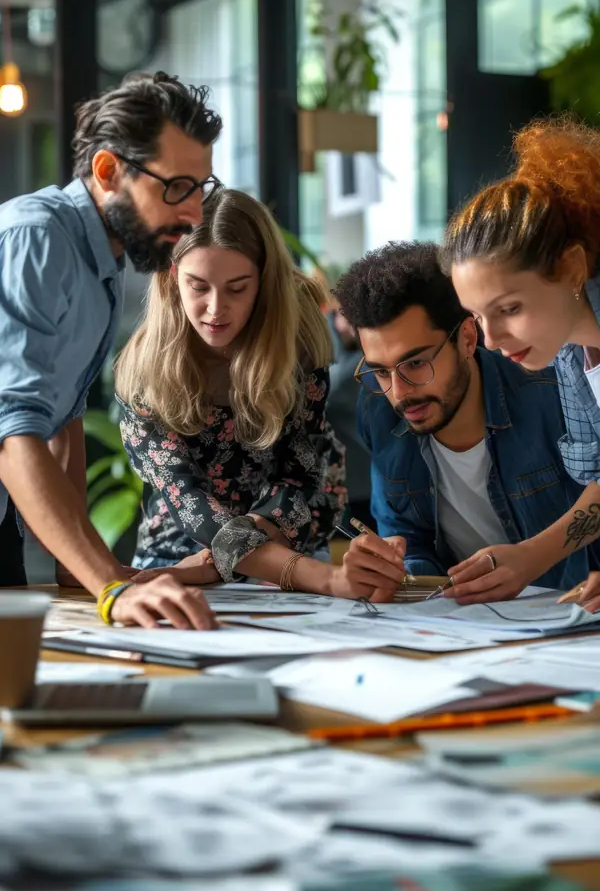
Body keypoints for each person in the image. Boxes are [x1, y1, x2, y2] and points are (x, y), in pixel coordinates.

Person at [0, 69, 222, 629]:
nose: (195, 213)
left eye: (201, 188)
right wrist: (109, 585)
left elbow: (63, 421)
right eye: (176, 187)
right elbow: (13, 424)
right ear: (107, 172)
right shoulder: (37, 237)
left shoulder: (103, 262)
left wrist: (87, 572)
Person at [116, 187, 405, 600]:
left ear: (264, 282)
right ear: (172, 275)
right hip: (181, 554)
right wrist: (325, 580)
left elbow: (301, 473)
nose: (216, 309)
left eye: (237, 288)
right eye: (198, 287)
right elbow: (189, 501)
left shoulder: (297, 335)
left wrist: (223, 566)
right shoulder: (145, 370)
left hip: (285, 537)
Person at [334, 240, 600, 595]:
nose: (399, 393)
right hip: (475, 627)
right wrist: (390, 568)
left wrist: (532, 557)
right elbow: (408, 536)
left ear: (467, 337)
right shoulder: (379, 410)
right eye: (382, 372)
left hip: (575, 611)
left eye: (416, 363)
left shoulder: (546, 380)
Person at [441, 117, 600, 613]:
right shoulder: (573, 354)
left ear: (572, 268)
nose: (491, 339)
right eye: (478, 317)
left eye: (509, 309)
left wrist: (531, 556)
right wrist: (530, 558)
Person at [328, 308, 375, 530]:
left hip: (362, 475)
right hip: (349, 480)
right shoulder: (354, 360)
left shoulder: (356, 356)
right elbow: (333, 390)